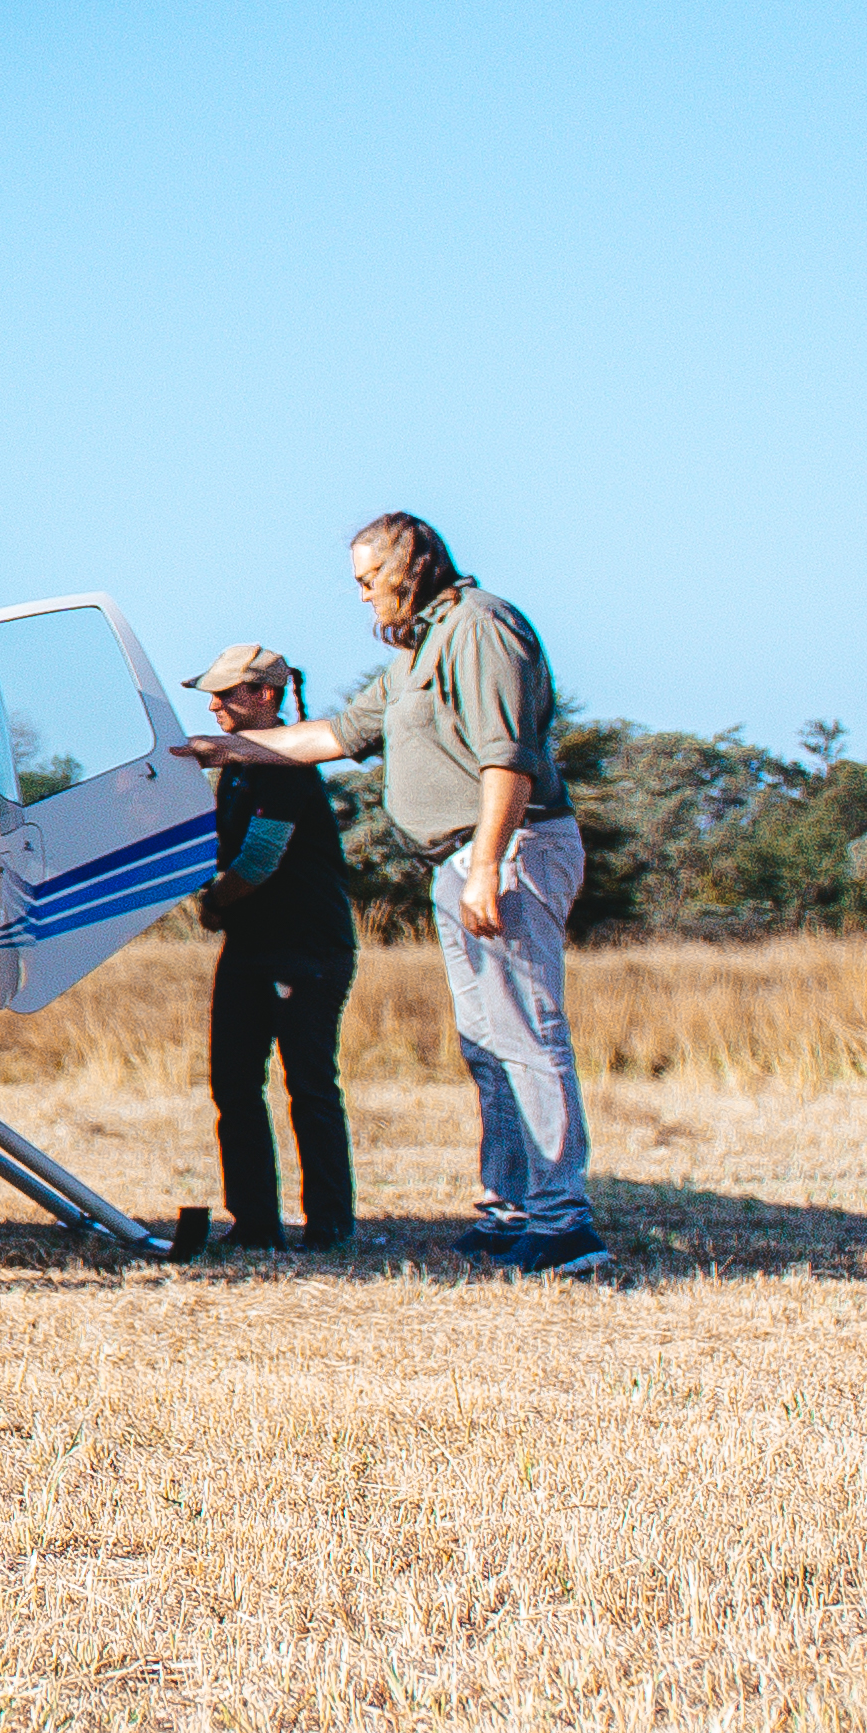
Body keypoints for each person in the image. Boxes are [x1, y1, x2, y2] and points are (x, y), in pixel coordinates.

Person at [187, 513, 595, 1272]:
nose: (365, 595)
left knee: (526, 1033)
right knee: (486, 1043)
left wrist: (486, 865)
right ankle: (510, 1209)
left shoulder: (479, 627)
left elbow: (509, 759)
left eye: (369, 579)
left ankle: (563, 1219)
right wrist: (216, 748)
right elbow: (334, 736)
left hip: (506, 848)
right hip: (456, 856)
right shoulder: (413, 655)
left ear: (408, 566)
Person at [187, 639, 355, 1253]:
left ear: (264, 696)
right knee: (233, 1084)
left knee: (309, 1086)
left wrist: (212, 902)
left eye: (225, 693)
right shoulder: (240, 762)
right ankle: (255, 1222)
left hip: (304, 947)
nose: (213, 705)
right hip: (254, 944)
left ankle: (330, 1224)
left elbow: (258, 860)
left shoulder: (284, 767)